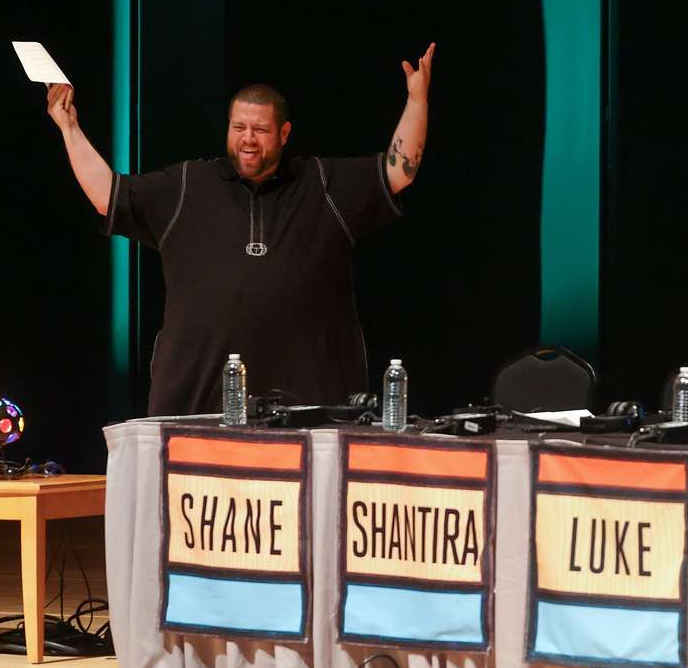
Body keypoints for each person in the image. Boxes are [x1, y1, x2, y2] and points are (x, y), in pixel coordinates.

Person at [46, 44, 435, 416]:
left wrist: (416, 101)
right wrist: (69, 127)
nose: (247, 139)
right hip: (197, 403)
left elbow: (399, 172)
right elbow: (108, 195)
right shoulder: (186, 185)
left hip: (310, 406)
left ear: (284, 133)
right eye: (238, 127)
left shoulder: (322, 183)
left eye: (260, 130)